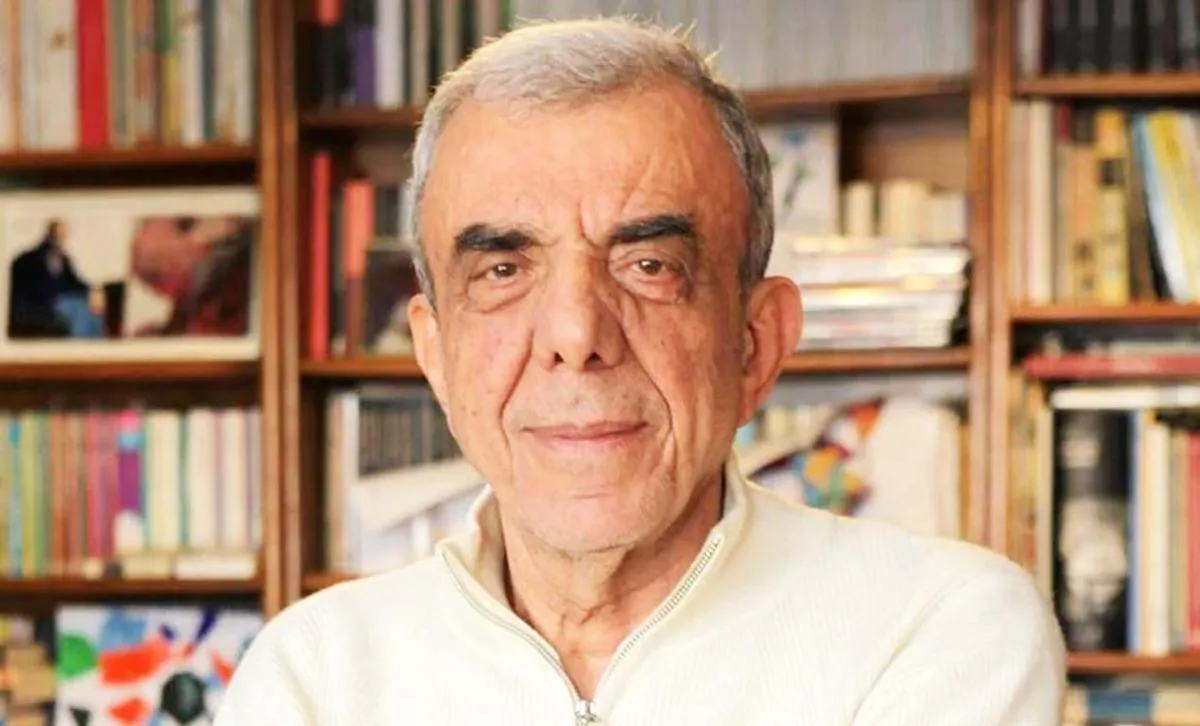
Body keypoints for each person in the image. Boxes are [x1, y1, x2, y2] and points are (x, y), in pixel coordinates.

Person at [215, 17, 1066, 725]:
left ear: (756, 342)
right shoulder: (313, 675)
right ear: (435, 356)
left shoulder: (937, 627)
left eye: (649, 266)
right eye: (504, 270)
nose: (576, 335)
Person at [7, 220, 106, 338]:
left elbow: (75, 282)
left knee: (94, 309)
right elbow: (31, 290)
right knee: (80, 308)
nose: (61, 240)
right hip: (42, 304)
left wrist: (92, 290)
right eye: (58, 236)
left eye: (63, 236)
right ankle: (77, 347)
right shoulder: (30, 259)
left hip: (61, 302)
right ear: (49, 236)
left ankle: (96, 347)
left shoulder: (64, 259)